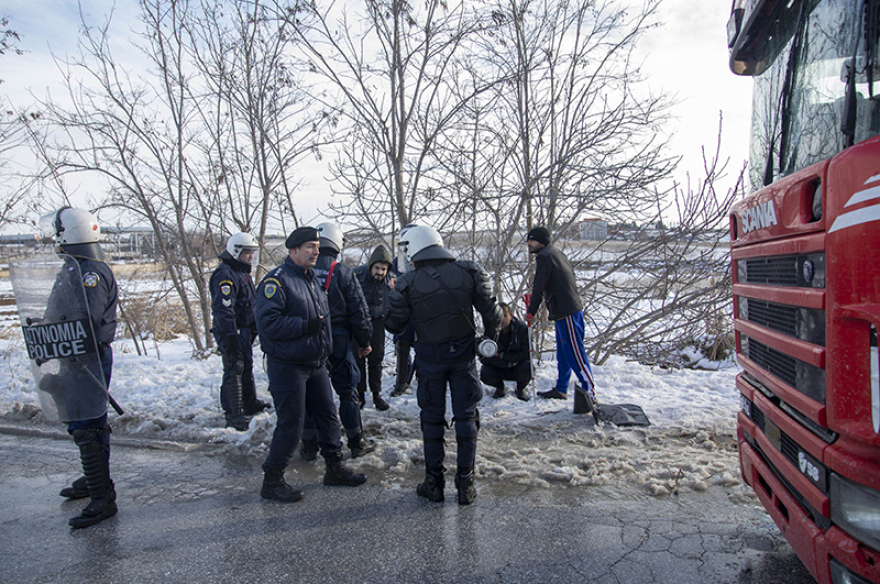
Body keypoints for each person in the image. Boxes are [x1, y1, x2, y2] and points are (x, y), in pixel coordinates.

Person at [385, 225, 501, 505]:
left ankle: (434, 484)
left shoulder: (408, 281)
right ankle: (466, 485)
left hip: (430, 358)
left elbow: (394, 324)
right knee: (467, 416)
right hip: (462, 355)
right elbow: (493, 315)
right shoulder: (469, 271)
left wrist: (393, 293)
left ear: (414, 247)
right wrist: (488, 344)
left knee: (432, 419)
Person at [254, 226, 366, 503]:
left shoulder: (313, 279)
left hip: (316, 362)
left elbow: (325, 320)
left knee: (328, 416)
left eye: (317, 247)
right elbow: (268, 324)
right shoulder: (276, 282)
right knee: (292, 421)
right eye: (310, 247)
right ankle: (273, 478)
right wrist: (306, 326)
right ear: (293, 251)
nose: (316, 251)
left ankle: (334, 468)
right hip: (288, 365)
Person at [44, 208, 120, 528]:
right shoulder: (73, 267)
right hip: (73, 355)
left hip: (86, 356)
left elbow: (85, 319)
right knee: (80, 422)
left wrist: (57, 333)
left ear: (69, 232)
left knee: (88, 425)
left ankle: (103, 496)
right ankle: (93, 479)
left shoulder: (90, 271)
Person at [299, 222, 375, 460]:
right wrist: (364, 341)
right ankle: (355, 442)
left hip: (308, 338)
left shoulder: (298, 269)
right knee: (347, 391)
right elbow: (359, 312)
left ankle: (309, 445)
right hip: (339, 338)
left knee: (310, 392)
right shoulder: (342, 272)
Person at [524, 226, 598, 409]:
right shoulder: (556, 253)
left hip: (568, 312)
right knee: (564, 354)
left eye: (531, 240)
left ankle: (590, 391)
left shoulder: (544, 256)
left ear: (541, 241)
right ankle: (561, 388)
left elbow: (538, 287)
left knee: (575, 353)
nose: (528, 243)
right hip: (565, 311)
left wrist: (531, 311)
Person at [209, 232, 270, 431]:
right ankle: (233, 413)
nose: (251, 256)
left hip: (243, 329)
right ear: (236, 251)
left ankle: (249, 402)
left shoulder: (241, 273)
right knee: (234, 367)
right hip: (231, 330)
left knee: (245, 365)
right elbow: (224, 309)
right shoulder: (225, 274)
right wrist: (230, 335)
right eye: (247, 253)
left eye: (252, 253)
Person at [354, 244, 394, 411]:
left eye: (383, 269)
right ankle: (360, 395)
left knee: (376, 359)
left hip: (378, 322)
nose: (380, 272)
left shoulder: (390, 280)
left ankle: (376, 394)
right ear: (371, 266)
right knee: (359, 359)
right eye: (377, 268)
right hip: (359, 322)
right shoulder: (356, 276)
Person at [479, 302, 531, 401]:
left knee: (528, 367)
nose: (502, 319)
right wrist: (507, 361)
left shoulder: (522, 329)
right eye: (499, 316)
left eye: (505, 316)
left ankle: (520, 388)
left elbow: (526, 354)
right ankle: (499, 387)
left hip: (517, 367)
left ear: (511, 316)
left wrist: (500, 355)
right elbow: (484, 358)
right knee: (485, 372)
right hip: (500, 367)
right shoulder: (490, 331)